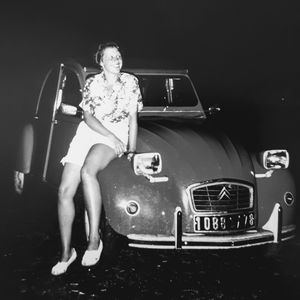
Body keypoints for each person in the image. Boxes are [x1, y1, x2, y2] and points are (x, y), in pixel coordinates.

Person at [51, 42, 143, 276]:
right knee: (64, 190)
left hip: (117, 135)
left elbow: (133, 119)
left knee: (87, 171)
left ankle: (94, 239)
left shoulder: (130, 82)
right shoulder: (92, 82)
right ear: (101, 62)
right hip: (90, 131)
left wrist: (131, 150)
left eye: (118, 55)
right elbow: (89, 118)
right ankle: (66, 253)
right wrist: (108, 134)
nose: (117, 59)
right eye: (111, 57)